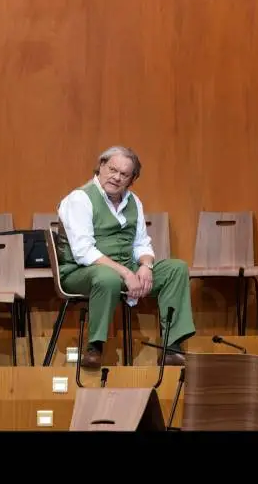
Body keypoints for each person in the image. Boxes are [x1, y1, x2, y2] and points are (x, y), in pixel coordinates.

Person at [56, 146, 195, 369]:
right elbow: (84, 252)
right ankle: (94, 348)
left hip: (125, 268)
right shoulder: (80, 199)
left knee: (176, 269)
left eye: (124, 174)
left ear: (132, 179)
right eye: (112, 170)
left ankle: (171, 347)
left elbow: (141, 243)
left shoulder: (133, 202)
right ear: (101, 166)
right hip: (81, 272)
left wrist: (146, 266)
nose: (116, 177)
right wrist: (126, 273)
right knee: (106, 277)